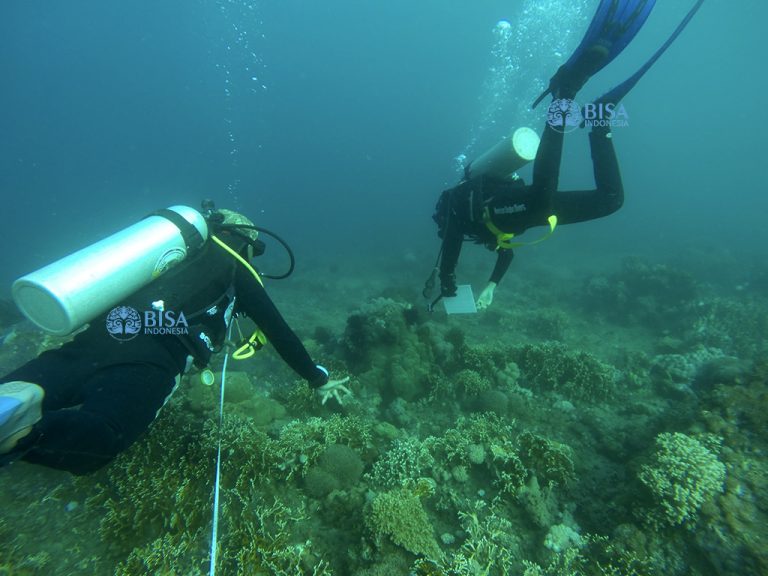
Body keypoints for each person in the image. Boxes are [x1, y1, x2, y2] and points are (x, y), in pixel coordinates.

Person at [0, 205, 350, 475]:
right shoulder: (236, 268)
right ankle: (22, 436)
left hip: (100, 337)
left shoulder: (163, 256)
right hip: (154, 359)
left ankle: (24, 394)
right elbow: (281, 333)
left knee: (38, 384)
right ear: (244, 242)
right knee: (106, 437)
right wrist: (317, 377)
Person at [431, 0, 705, 311]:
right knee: (610, 200)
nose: (443, 229)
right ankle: (599, 125)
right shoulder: (487, 235)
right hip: (529, 210)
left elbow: (451, 241)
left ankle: (564, 95)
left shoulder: (456, 216)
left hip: (519, 206)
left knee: (541, 199)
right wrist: (491, 287)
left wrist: (447, 280)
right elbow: (506, 252)